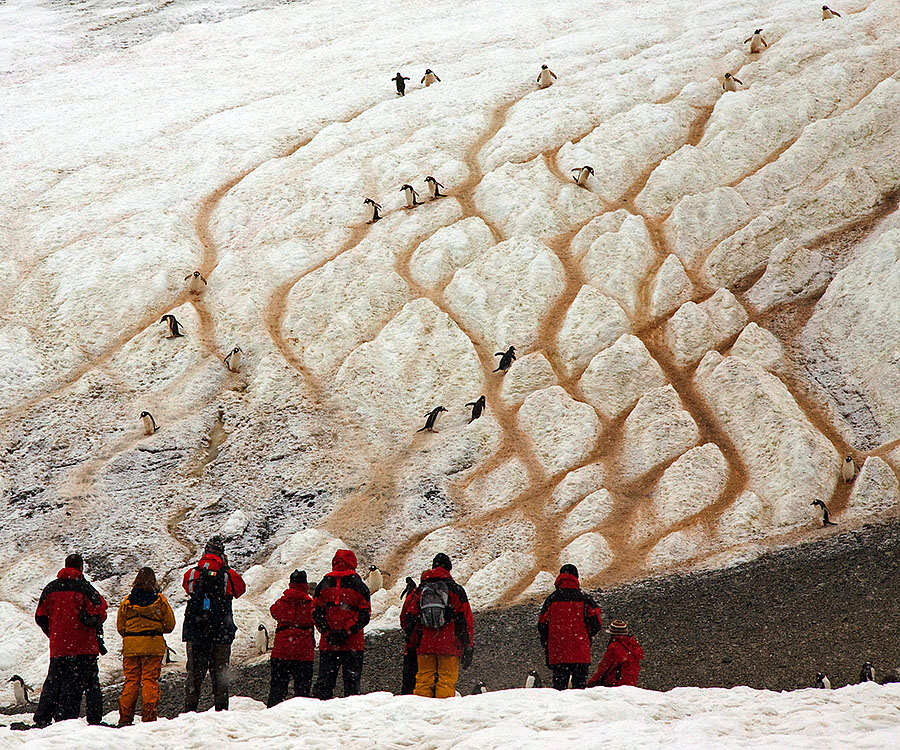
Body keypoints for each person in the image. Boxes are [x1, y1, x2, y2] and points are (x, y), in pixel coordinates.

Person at [32, 553, 108, 727]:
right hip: (83, 646)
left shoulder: (50, 589)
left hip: (59, 646)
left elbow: (40, 616)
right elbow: (100, 610)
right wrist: (86, 623)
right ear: (80, 568)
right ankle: (85, 719)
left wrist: (54, 633)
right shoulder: (85, 588)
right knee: (88, 684)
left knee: (54, 682)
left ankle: (43, 718)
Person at [182, 536, 246, 712]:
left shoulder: (193, 574)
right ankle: (221, 709)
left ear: (205, 552)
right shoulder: (228, 575)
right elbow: (240, 589)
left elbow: (186, 587)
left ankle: (190, 709)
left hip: (197, 632)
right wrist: (225, 568)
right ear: (222, 554)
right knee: (220, 674)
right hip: (221, 632)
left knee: (194, 674)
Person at [402, 553, 474, 699]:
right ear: (449, 569)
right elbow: (465, 621)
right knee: (446, 681)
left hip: (425, 644)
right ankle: (442, 712)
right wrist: (468, 645)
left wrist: (413, 642)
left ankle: (421, 710)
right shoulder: (456, 590)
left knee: (423, 679)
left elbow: (408, 618)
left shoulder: (421, 589)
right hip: (449, 644)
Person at [116, 567, 175, 725]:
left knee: (131, 681)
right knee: (149, 680)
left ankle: (125, 718)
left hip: (131, 647)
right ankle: (149, 717)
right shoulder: (159, 600)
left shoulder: (127, 601)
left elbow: (121, 627)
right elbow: (169, 625)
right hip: (153, 645)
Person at [312, 549, 371, 699]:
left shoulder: (323, 584)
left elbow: (316, 612)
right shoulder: (359, 585)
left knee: (324, 683)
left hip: (329, 644)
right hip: (353, 644)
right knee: (352, 685)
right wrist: (346, 631)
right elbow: (364, 614)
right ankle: (350, 717)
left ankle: (318, 715)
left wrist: (327, 632)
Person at [537, 563, 602, 690]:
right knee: (580, 692)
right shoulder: (584, 598)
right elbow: (596, 623)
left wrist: (549, 643)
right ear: (576, 578)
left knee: (559, 692)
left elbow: (542, 625)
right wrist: (585, 636)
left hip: (558, 653)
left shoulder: (551, 599)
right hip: (580, 652)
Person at [267, 569, 315, 706]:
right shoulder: (310, 604)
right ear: (305, 585)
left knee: (277, 688)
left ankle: (272, 713)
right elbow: (316, 618)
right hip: (303, 653)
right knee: (302, 690)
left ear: (290, 584)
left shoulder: (282, 602)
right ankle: (301, 715)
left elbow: (274, 612)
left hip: (282, 652)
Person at [587, 620, 644, 687]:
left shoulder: (615, 647)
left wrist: (591, 683)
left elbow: (603, 667)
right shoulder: (632, 645)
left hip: (616, 683)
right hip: (630, 683)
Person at [399, 576, 420, 694]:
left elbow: (403, 620)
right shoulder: (443, 592)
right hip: (428, 646)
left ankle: (407, 697)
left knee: (409, 679)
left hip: (412, 645)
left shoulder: (414, 595)